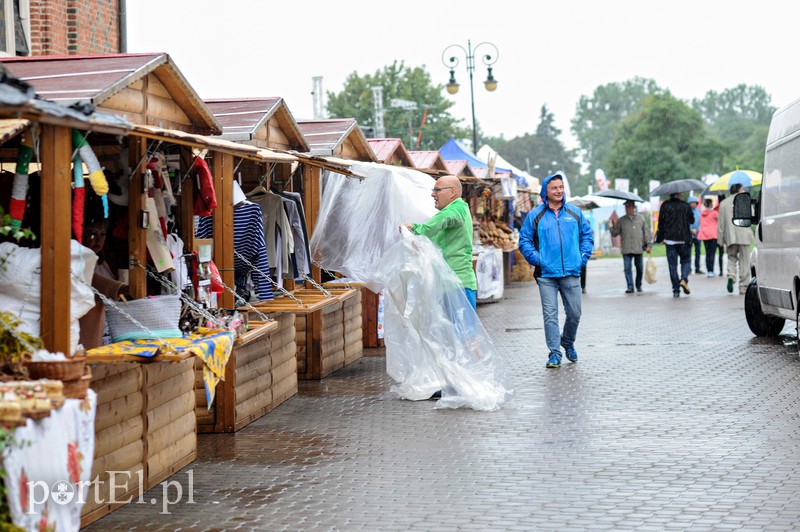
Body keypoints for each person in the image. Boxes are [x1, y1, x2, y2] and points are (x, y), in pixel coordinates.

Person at [518, 172, 593, 369]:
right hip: (546, 275)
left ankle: (567, 342)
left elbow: (587, 235)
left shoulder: (575, 213)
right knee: (550, 314)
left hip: (571, 272)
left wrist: (582, 257)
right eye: (554, 188)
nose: (559, 191)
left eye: (561, 187)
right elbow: (524, 240)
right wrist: (537, 259)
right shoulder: (535, 215)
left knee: (575, 313)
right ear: (546, 192)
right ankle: (554, 352)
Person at [402, 174, 478, 309]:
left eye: (437, 190)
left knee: (462, 329)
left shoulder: (457, 208)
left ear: (452, 192)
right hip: (449, 284)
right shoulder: (456, 211)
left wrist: (417, 228)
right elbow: (431, 241)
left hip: (458, 284)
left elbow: (441, 220)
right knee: (452, 329)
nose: (433, 194)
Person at [78, 217, 128, 349]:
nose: (98, 240)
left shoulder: (102, 262)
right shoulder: (77, 262)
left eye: (102, 234)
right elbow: (95, 282)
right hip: (85, 329)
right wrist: (123, 289)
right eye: (92, 234)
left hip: (105, 328)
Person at [655, 191, 694, 298]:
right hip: (684, 239)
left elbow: (661, 223)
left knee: (672, 265)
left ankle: (676, 289)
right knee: (686, 261)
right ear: (678, 194)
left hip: (670, 240)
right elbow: (692, 220)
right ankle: (684, 279)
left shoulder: (665, 206)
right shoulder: (686, 206)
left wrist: (659, 238)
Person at [608, 200, 652, 293]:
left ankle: (638, 285)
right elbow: (615, 233)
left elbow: (646, 233)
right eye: (626, 207)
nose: (627, 208)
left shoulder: (641, 218)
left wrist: (649, 245)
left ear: (633, 207)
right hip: (626, 248)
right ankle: (630, 286)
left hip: (638, 247)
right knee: (627, 268)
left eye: (628, 206)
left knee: (639, 268)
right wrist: (612, 226)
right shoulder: (621, 220)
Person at [717, 183, 754, 294]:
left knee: (731, 257)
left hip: (730, 236)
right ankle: (743, 286)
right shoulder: (744, 200)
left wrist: (720, 239)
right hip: (744, 234)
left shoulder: (723, 203)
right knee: (744, 261)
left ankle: (731, 276)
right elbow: (752, 215)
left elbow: (721, 224)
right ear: (739, 189)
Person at [697, 198, 719, 277]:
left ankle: (708, 270)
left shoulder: (702, 214)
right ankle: (711, 270)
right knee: (712, 253)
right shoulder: (714, 213)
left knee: (707, 253)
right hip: (713, 235)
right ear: (710, 204)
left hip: (704, 235)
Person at [688, 196, 704, 274]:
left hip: (698, 235)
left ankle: (697, 268)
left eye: (695, 203)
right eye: (692, 203)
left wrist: (699, 230)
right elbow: (686, 222)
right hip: (689, 235)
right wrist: (691, 229)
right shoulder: (686, 212)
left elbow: (702, 222)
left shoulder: (699, 212)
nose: (693, 204)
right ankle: (689, 269)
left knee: (698, 252)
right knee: (689, 252)